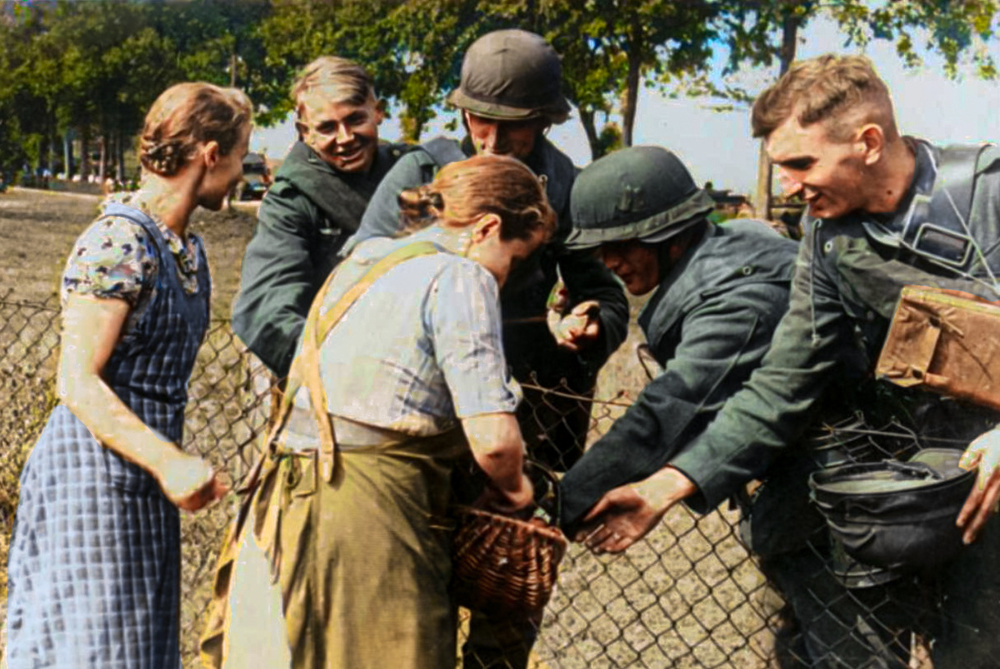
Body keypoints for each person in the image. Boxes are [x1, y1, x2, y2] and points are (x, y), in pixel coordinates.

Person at [576, 54, 1000, 667]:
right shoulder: (828, 240)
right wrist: (664, 487)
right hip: (925, 496)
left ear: (869, 142)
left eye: (803, 164)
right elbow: (783, 382)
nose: (792, 186)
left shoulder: (987, 194)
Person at [201, 154, 554, 669]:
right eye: (516, 259)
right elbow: (494, 440)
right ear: (488, 228)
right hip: (371, 506)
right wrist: (518, 493)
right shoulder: (460, 275)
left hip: (286, 496)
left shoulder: (367, 258)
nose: (507, 275)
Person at [3, 81, 248, 668]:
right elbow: (78, 381)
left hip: (141, 474)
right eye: (241, 154)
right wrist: (170, 461)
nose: (243, 170)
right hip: (91, 472)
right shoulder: (118, 240)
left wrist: (164, 463)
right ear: (210, 153)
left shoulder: (186, 246)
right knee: (91, 647)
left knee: (134, 645)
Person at [344, 29, 629, 473]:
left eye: (513, 124)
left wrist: (588, 325)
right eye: (480, 120)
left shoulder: (568, 187)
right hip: (419, 394)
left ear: (543, 121)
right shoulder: (422, 171)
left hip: (524, 401)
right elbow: (361, 271)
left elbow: (607, 297)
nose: (493, 141)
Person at [556, 145, 798, 535]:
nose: (609, 261)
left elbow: (667, 412)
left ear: (671, 235)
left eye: (622, 244)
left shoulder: (738, 303)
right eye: (601, 248)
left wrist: (556, 508)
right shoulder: (727, 248)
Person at [232, 56, 409, 378]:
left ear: (379, 112)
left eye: (356, 119)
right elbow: (265, 307)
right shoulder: (292, 199)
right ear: (305, 132)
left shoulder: (411, 172)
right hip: (336, 368)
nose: (345, 138)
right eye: (327, 127)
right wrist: (340, 370)